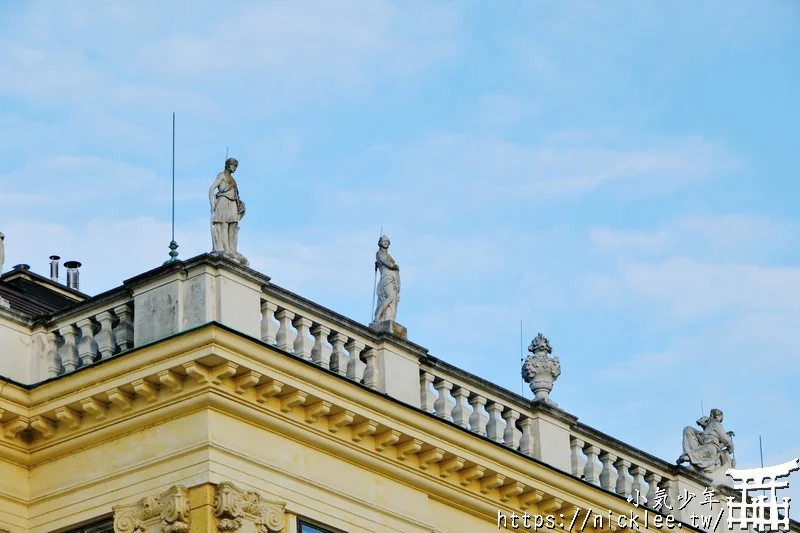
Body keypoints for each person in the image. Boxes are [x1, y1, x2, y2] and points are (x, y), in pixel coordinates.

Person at [677, 409, 735, 474]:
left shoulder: (713, 424)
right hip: (708, 446)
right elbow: (726, 440)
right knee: (688, 430)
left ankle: (687, 457)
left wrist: (728, 445)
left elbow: (724, 439)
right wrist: (731, 448)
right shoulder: (715, 424)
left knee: (703, 450)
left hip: (711, 446)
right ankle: (687, 456)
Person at [209, 158, 246, 255]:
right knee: (224, 224)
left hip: (233, 202)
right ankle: (226, 249)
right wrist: (212, 203)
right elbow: (212, 188)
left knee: (233, 224)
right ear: (228, 165)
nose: (235, 168)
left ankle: (232, 248)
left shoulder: (233, 179)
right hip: (223, 200)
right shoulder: (222, 175)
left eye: (236, 166)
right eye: (234, 165)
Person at [374, 235, 400, 323]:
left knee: (393, 301)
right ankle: (377, 316)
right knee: (390, 297)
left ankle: (386, 318)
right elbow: (387, 264)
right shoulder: (379, 253)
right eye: (383, 241)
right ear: (380, 243)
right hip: (386, 278)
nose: (385, 242)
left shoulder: (388, 255)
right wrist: (394, 266)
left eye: (387, 241)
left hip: (393, 280)